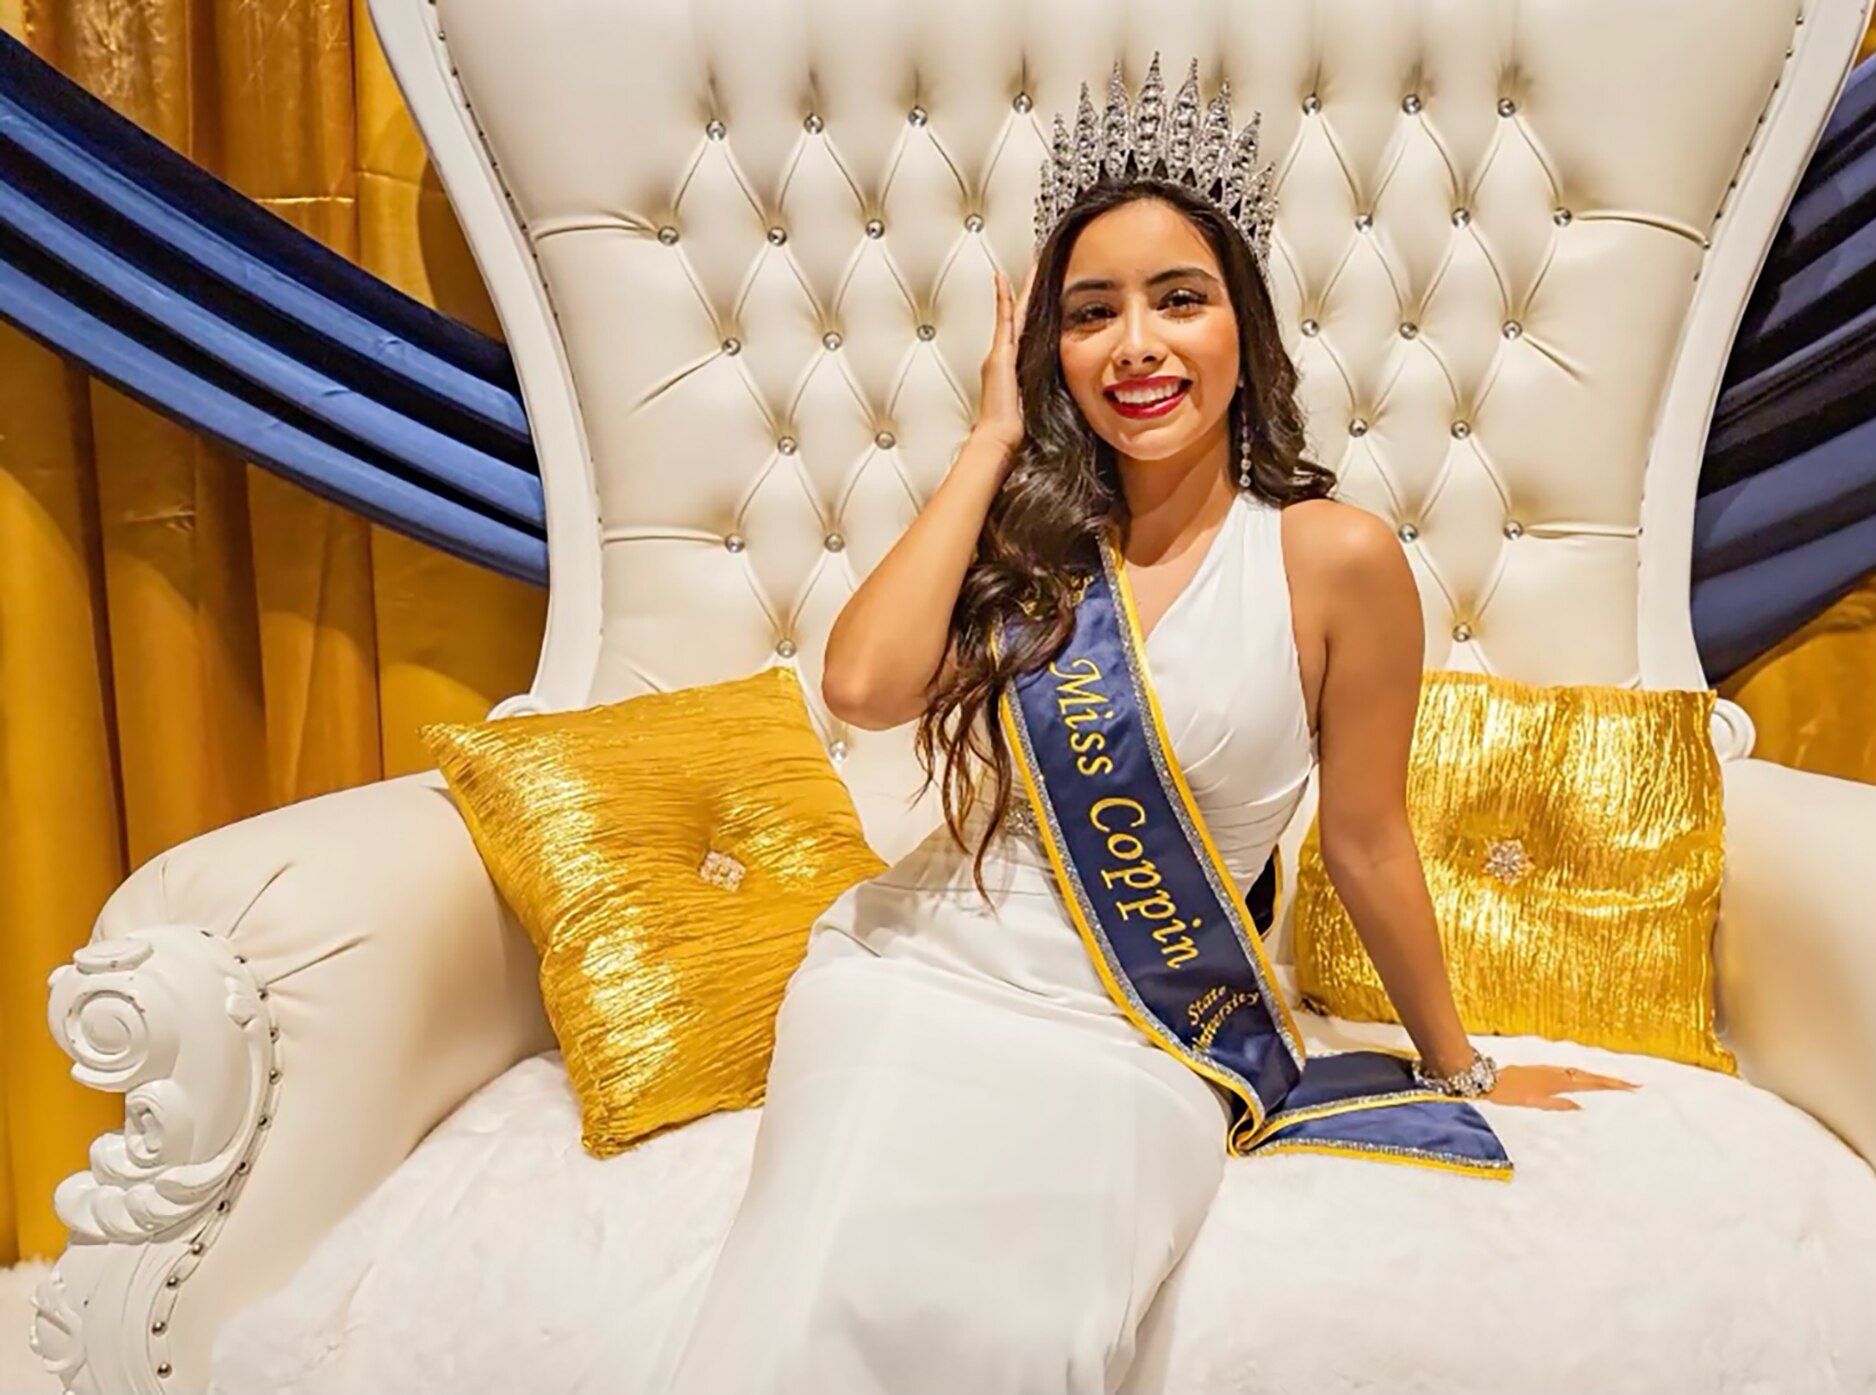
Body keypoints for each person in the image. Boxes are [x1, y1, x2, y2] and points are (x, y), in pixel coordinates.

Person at [654, 59, 1637, 1395]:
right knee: (807, 1296)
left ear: (1246, 330)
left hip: (1144, 1027)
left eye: (1180, 301)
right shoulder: (1027, 542)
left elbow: (1364, 839)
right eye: (1090, 313)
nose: (1136, 348)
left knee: (1027, 1330)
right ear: (1048, 351)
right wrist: (992, 440)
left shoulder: (1335, 560)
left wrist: (1458, 1067)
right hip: (917, 977)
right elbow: (866, 688)